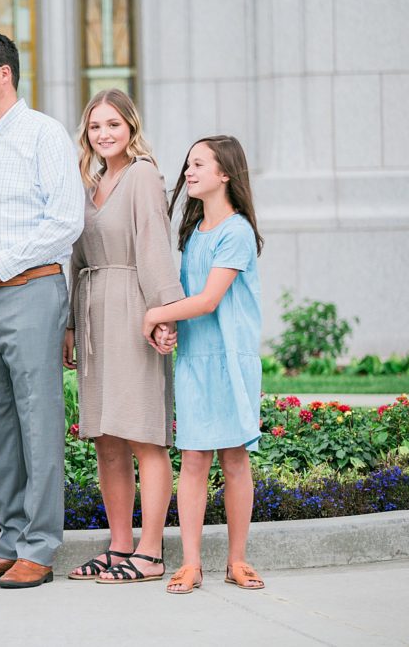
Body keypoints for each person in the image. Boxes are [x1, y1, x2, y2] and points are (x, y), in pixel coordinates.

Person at [0, 33, 85, 589]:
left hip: (31, 289)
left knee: (39, 419)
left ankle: (41, 545)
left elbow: (66, 221)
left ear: (4, 74)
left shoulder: (44, 135)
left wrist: (0, 263)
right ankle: (10, 541)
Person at [62, 89, 184, 584]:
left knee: (142, 434)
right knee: (106, 439)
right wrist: (70, 322)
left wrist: (163, 312)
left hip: (134, 304)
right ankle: (118, 547)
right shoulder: (88, 183)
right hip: (93, 309)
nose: (104, 134)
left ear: (131, 127)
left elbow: (154, 242)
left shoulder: (142, 176)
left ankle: (150, 552)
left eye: (113, 124)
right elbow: (74, 257)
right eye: (95, 127)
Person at [141, 135, 266, 595]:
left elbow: (210, 300)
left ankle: (237, 559)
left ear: (225, 174)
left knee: (234, 459)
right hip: (195, 361)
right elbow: (188, 299)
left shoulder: (236, 232)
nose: (188, 172)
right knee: (193, 459)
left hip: (231, 363)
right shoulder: (194, 235)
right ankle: (191, 563)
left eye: (199, 165)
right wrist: (169, 327)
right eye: (188, 164)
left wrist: (155, 315)